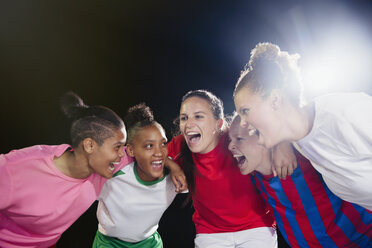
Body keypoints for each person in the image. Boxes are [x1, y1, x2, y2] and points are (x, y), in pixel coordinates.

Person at [0, 92, 186, 248]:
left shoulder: (107, 166)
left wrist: (172, 165)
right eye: (116, 147)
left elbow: (149, 154)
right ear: (89, 145)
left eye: (123, 148)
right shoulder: (18, 169)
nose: (122, 155)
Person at [233, 42, 372, 211]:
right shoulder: (301, 141)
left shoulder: (347, 114)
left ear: (275, 100)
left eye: (245, 111)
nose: (243, 123)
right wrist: (281, 144)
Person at [228, 114, 372, 248]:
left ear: (264, 136)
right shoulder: (254, 176)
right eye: (230, 140)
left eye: (239, 138)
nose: (230, 146)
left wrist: (283, 141)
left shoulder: (305, 154)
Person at [167, 89, 277, 248]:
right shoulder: (180, 144)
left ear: (218, 124)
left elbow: (271, 135)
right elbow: (152, 153)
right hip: (210, 233)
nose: (189, 124)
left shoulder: (236, 138)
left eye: (198, 116)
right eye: (184, 118)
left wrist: (283, 148)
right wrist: (172, 166)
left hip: (256, 227)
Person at [92, 103, 187, 248]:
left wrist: (172, 165)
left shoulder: (175, 177)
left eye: (163, 144)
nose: (159, 152)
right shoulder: (112, 173)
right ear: (130, 150)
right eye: (149, 145)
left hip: (149, 243)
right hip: (109, 243)